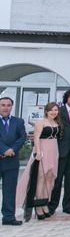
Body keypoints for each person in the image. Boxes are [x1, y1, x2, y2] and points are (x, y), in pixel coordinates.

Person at [16, 102, 58, 221]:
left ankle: (45, 203)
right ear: (46, 111)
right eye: (51, 110)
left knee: (50, 178)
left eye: (55, 110)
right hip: (43, 150)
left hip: (53, 151)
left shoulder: (55, 122)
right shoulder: (40, 122)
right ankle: (38, 206)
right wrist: (38, 152)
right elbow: (36, 138)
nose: (54, 112)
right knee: (41, 178)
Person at [49, 88, 70, 215]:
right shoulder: (58, 111)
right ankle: (52, 206)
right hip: (59, 150)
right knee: (57, 180)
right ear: (66, 98)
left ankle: (67, 206)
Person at [1, 97, 26, 226]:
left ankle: (9, 217)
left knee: (9, 190)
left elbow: (22, 138)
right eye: (3, 105)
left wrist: (12, 150)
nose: (5, 107)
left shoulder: (18, 122)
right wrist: (5, 150)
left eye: (8, 105)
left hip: (11, 161)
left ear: (12, 107)